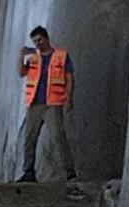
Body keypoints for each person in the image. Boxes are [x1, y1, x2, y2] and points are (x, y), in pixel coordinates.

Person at [17, 26, 77, 183]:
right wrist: (21, 56)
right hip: (34, 103)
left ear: (46, 38)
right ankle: (28, 172)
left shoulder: (61, 56)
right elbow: (21, 73)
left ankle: (70, 172)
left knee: (58, 137)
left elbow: (69, 78)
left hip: (53, 103)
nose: (38, 44)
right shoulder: (34, 59)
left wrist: (69, 98)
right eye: (35, 41)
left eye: (40, 40)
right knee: (30, 138)